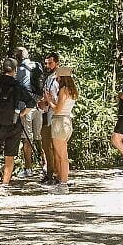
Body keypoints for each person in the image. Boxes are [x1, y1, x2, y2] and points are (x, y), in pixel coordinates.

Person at [0, 58, 35, 194]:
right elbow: (31, 103)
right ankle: (4, 187)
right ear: (15, 70)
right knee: (10, 156)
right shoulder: (17, 86)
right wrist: (21, 114)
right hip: (14, 125)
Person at [14, 46, 45, 179]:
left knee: (27, 138)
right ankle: (46, 164)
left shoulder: (19, 70)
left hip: (26, 106)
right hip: (39, 104)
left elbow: (17, 88)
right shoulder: (37, 65)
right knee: (40, 137)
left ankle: (28, 168)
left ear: (17, 57)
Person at [49, 66, 77, 194]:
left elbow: (57, 109)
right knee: (62, 154)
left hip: (59, 122)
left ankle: (63, 184)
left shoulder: (63, 90)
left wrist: (49, 101)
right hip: (67, 121)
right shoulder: (72, 90)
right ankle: (62, 183)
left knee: (61, 156)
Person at [38, 52, 61, 184]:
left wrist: (49, 101)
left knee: (56, 146)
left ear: (57, 62)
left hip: (56, 116)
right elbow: (47, 97)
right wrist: (43, 102)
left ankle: (59, 175)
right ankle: (50, 173)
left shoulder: (60, 78)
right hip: (46, 115)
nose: (47, 65)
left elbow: (58, 98)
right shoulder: (48, 78)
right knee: (46, 145)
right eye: (46, 63)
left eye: (50, 63)